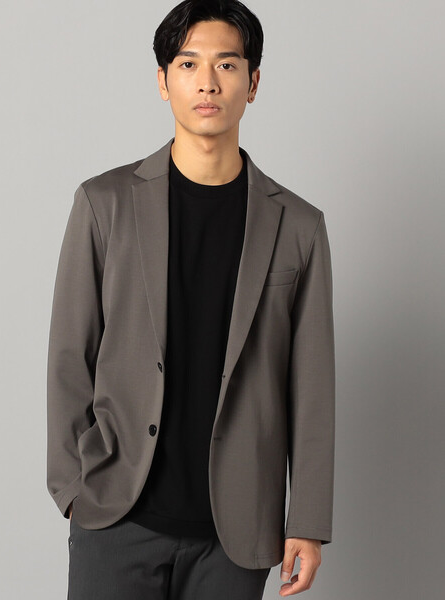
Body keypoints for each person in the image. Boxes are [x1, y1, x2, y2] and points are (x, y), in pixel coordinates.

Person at [46, 1, 335, 598]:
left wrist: (306, 521)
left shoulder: (299, 226)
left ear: (253, 82)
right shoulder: (104, 203)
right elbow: (69, 355)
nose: (207, 82)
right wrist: (73, 487)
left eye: (227, 64)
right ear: (163, 81)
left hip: (236, 533)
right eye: (187, 63)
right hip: (118, 516)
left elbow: (312, 387)